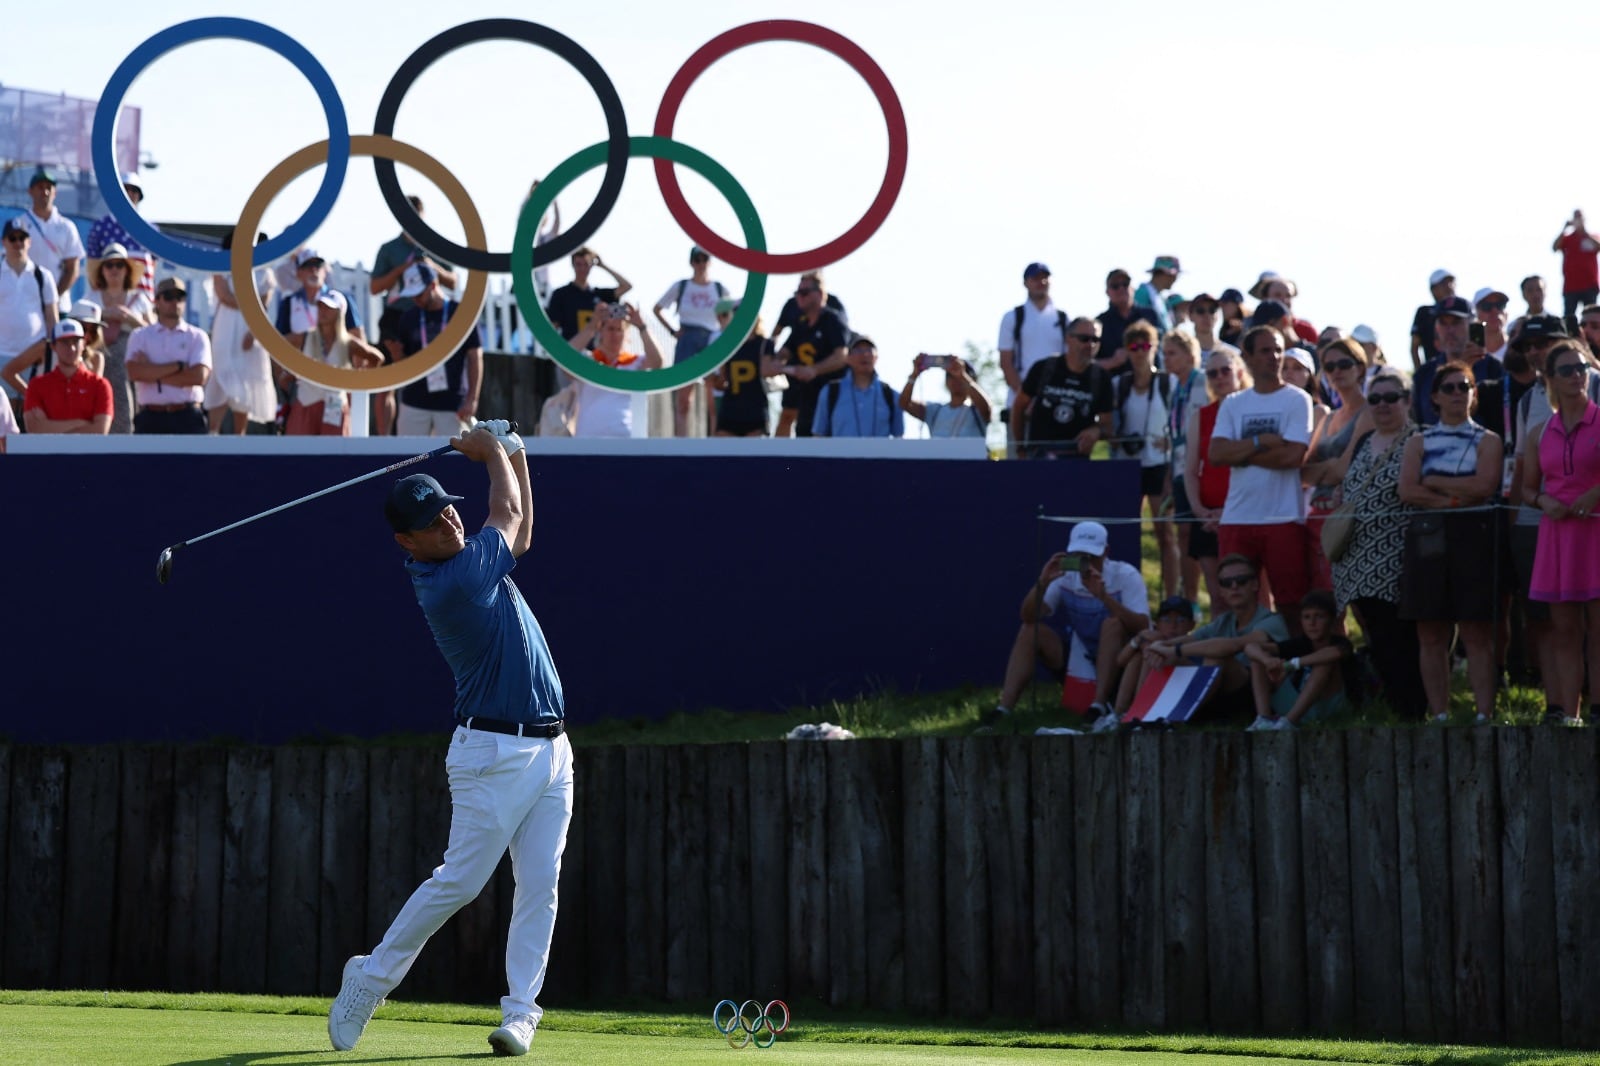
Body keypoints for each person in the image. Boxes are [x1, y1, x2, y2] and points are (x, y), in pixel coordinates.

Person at [328, 423, 572, 1058]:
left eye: (447, 510)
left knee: (540, 884)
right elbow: (510, 511)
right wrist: (493, 450)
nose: (448, 524)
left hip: (552, 751)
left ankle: (521, 1013)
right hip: (492, 755)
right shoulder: (453, 582)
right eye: (431, 524)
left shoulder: (468, 559)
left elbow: (521, 531)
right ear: (406, 541)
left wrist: (512, 451)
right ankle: (371, 978)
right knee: (460, 882)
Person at [1397, 362, 1504, 722]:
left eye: (1465, 387)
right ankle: (1439, 714)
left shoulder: (1489, 440)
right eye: (1450, 387)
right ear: (1435, 396)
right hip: (1428, 535)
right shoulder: (1418, 441)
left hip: (1473, 536)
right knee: (1430, 630)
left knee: (1476, 630)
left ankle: (1484, 713)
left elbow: (1484, 486)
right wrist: (1453, 498)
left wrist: (1435, 485)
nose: (1458, 393)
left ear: (1474, 394)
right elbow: (1407, 489)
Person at [986, 521, 1151, 733]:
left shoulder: (1126, 575)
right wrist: (1043, 581)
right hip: (1082, 658)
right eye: (1080, 557)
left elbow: (1143, 625)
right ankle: (1003, 709)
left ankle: (1098, 706)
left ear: (1106, 552)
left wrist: (1104, 597)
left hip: (1121, 661)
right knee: (1030, 631)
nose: (1086, 563)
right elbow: (1028, 617)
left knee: (1112, 624)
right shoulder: (1065, 577)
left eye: (1092, 557)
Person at [1327, 368, 1426, 717]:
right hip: (1358, 562)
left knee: (1404, 639)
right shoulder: (1364, 443)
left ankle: (1414, 708)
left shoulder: (1420, 439)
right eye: (1375, 399)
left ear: (1407, 401)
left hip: (1401, 560)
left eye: (1390, 398)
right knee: (1379, 639)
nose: (1382, 405)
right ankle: (1395, 704)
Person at [1208, 325, 1314, 627]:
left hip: (1283, 518)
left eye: (1278, 349)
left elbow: (1293, 457)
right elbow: (1216, 455)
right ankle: (1243, 669)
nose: (1275, 356)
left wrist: (1240, 453)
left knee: (1292, 604)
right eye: (1266, 350)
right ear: (1248, 357)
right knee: (1236, 606)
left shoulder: (1297, 399)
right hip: (1237, 518)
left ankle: (1297, 667)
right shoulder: (1233, 403)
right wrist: (1259, 441)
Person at [1523, 342, 1600, 725]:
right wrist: (1541, 500)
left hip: (1596, 533)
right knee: (1564, 630)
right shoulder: (1540, 432)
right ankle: (1568, 713)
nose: (1576, 375)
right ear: (1551, 378)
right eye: (1567, 369)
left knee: (1599, 628)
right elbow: (1524, 489)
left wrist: (1596, 491)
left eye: (1582, 367)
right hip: (1557, 537)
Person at [1142, 553, 1290, 722]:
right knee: (1157, 655)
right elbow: (1192, 638)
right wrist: (1160, 646)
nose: (1234, 586)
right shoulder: (1225, 620)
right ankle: (1140, 715)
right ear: (1221, 591)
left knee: (1217, 657)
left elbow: (1232, 645)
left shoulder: (1271, 620)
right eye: (1226, 583)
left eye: (1241, 581)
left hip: (1257, 695)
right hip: (1222, 691)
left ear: (1255, 584)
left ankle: (1182, 717)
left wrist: (1174, 650)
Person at [370, 195, 459, 436]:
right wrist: (401, 269)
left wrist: (431, 266)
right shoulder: (389, 249)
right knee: (388, 379)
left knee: (429, 377)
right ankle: (384, 435)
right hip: (397, 316)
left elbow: (453, 280)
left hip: (429, 319)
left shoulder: (435, 246)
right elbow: (375, 287)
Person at [1183, 347, 1251, 607]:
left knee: (1253, 594)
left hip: (1245, 513)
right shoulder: (1200, 417)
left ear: (1240, 372)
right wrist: (1200, 511)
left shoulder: (1253, 412)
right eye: (1212, 373)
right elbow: (1190, 470)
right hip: (1209, 517)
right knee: (1219, 598)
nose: (1219, 377)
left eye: (1225, 370)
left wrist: (1230, 511)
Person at [1114, 320, 1177, 597]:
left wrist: (1173, 441)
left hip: (1160, 463)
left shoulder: (1167, 382)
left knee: (1165, 533)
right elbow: (1111, 425)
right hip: (1128, 465)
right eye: (1134, 346)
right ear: (1127, 350)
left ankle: (1172, 597)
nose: (1140, 352)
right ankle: (1130, 594)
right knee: (1128, 534)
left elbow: (1183, 420)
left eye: (1146, 345)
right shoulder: (1120, 384)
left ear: (1154, 349)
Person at [1302, 337, 1370, 591]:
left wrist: (1327, 467)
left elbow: (1344, 469)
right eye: (1329, 367)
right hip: (1318, 517)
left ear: (1360, 367)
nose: (1336, 371)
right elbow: (1303, 473)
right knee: (1325, 603)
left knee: (1361, 605)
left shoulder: (1371, 412)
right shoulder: (1328, 418)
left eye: (1344, 364)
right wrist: (1330, 468)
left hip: (1350, 518)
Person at [1241, 591, 1358, 730]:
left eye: (1319, 616)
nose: (1312, 623)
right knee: (1257, 660)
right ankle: (1264, 719)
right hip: (1297, 704)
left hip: (1329, 706)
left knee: (1323, 663)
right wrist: (1267, 661)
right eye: (1307, 617)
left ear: (1331, 620)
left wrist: (1291, 664)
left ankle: (1289, 723)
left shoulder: (1340, 643)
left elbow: (1332, 654)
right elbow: (1250, 647)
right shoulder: (1299, 643)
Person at [395, 264, 482, 436]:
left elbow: (475, 356)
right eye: (412, 295)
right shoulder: (408, 317)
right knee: (407, 458)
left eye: (419, 294)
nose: (416, 299)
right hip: (414, 402)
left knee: (455, 460)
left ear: (433, 285)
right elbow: (402, 362)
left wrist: (472, 399)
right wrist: (396, 354)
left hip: (452, 404)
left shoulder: (460, 314)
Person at [207, 231, 279, 435]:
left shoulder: (264, 272)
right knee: (221, 375)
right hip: (226, 327)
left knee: (246, 378)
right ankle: (213, 432)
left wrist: (255, 333)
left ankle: (240, 434)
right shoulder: (222, 265)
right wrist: (250, 304)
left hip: (250, 329)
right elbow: (224, 295)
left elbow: (263, 305)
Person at [283, 291, 384, 435]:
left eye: (328, 307)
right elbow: (279, 345)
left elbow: (377, 358)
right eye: (320, 306)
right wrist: (288, 373)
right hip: (306, 403)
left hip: (334, 406)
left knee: (334, 453)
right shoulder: (305, 337)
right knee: (302, 453)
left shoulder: (348, 342)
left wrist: (360, 378)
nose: (323, 311)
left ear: (339, 312)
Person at [654, 246, 728, 437]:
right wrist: (672, 331)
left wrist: (724, 334)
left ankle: (715, 439)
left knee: (713, 396)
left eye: (705, 259)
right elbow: (658, 308)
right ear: (691, 262)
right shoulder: (681, 286)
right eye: (697, 259)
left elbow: (729, 314)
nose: (701, 263)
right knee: (683, 398)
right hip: (687, 338)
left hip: (712, 339)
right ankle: (682, 440)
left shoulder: (719, 289)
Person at [125, 277, 212, 434]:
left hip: (188, 416)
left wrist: (151, 373)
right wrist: (178, 367)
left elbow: (198, 377)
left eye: (179, 297)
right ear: (157, 301)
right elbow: (133, 373)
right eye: (169, 297)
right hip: (151, 417)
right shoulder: (140, 336)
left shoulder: (198, 336)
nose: (175, 302)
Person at [568, 301, 664, 438]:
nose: (615, 335)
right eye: (610, 329)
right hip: (588, 439)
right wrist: (591, 326)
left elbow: (657, 362)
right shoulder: (589, 360)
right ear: (601, 331)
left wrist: (641, 326)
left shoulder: (635, 362)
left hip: (625, 437)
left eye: (619, 330)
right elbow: (564, 360)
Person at [997, 262, 1068, 430]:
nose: (1041, 282)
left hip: (1056, 406)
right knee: (1019, 454)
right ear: (1025, 283)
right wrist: (1025, 399)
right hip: (1020, 406)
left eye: (1045, 278)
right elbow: (1006, 363)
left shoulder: (1063, 319)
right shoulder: (1013, 317)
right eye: (1035, 278)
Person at [775, 277, 850, 438]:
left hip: (831, 400)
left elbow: (841, 356)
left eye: (805, 292)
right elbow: (783, 352)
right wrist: (774, 363)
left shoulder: (832, 320)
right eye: (798, 293)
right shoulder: (801, 324)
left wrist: (814, 370)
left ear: (820, 294)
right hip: (805, 401)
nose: (799, 297)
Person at [1163, 330, 1206, 605]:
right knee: (1184, 534)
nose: (1166, 359)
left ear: (1190, 355)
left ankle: (1194, 598)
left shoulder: (1201, 381)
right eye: (1164, 353)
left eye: (1172, 353)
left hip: (1200, 469)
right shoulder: (1175, 387)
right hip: (1180, 468)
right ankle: (1188, 599)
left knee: (1196, 534)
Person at [0, 215, 58, 405]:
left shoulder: (43, 276)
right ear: (4, 242)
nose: (18, 243)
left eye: (22, 238)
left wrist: (50, 351)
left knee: (34, 413)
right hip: (2, 354)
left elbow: (52, 317)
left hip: (35, 356)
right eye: (12, 238)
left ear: (29, 242)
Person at [1107, 596, 1196, 720]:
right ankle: (1119, 713)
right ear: (1157, 623)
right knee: (1137, 657)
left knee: (1152, 653)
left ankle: (1140, 712)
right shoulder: (1152, 638)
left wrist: (1151, 647)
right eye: (1166, 620)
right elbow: (1120, 661)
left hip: (1177, 693)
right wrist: (1138, 639)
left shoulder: (1190, 643)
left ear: (1191, 625)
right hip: (1157, 690)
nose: (1173, 625)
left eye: (1181, 620)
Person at [21, 319, 112, 434]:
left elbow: (100, 430)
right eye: (65, 342)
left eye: (75, 341)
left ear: (84, 344)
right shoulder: (36, 385)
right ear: (53, 346)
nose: (71, 348)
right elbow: (35, 429)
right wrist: (80, 423)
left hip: (88, 451)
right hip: (49, 451)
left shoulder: (100, 385)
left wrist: (50, 427)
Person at [709, 299, 781, 437]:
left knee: (754, 456)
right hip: (730, 409)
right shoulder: (728, 345)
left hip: (756, 410)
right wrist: (713, 379)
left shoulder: (764, 344)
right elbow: (722, 381)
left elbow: (766, 372)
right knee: (724, 456)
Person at [17, 167, 83, 312]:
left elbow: (73, 268)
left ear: (55, 193)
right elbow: (13, 264)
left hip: (60, 305)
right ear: (30, 191)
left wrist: (53, 297)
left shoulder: (67, 227)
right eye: (40, 187)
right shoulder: (20, 225)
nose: (45, 192)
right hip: (26, 303)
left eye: (49, 187)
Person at [85, 170, 157, 301]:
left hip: (141, 303)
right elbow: (92, 267)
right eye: (125, 189)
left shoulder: (151, 230)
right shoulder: (100, 227)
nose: (129, 194)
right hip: (107, 302)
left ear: (139, 196)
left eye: (134, 190)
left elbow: (153, 266)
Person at [812, 336, 903, 438]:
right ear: (848, 358)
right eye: (858, 350)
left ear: (876, 358)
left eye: (869, 350)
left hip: (879, 454)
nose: (864, 354)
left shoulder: (891, 395)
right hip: (839, 454)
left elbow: (898, 437)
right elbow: (818, 435)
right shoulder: (830, 392)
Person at [276, 248, 361, 351]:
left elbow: (357, 334)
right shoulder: (288, 303)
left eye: (318, 266)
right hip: (300, 365)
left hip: (336, 364)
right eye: (307, 266)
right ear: (298, 273)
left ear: (325, 271)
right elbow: (280, 342)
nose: (313, 270)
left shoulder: (341, 299)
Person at [544, 246, 631, 340]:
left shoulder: (599, 294)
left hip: (597, 352)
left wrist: (603, 265)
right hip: (571, 348)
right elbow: (553, 326)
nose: (582, 268)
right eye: (578, 264)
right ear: (573, 265)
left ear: (591, 266)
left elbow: (626, 286)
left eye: (586, 264)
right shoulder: (560, 294)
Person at [901, 355, 991, 438]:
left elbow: (986, 408)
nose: (956, 379)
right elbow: (905, 403)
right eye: (951, 375)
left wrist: (963, 376)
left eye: (961, 375)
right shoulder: (935, 411)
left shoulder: (977, 410)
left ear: (972, 379)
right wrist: (914, 374)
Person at [1095, 268, 1159, 375]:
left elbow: (1161, 349)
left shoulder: (1150, 315)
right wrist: (1112, 361)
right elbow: (1087, 363)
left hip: (1150, 384)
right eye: (1115, 286)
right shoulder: (1099, 323)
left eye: (1125, 284)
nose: (1121, 289)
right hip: (1115, 386)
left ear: (1132, 288)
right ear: (1107, 292)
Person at [1553, 210, 1600, 319]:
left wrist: (1585, 234)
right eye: (1576, 218)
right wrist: (1564, 229)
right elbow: (1554, 247)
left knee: (1592, 316)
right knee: (1569, 317)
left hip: (1590, 285)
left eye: (1580, 218)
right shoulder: (1567, 239)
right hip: (1571, 286)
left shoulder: (1592, 237)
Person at [1410, 269, 1455, 372]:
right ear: (1433, 289)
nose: (1449, 286)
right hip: (1434, 372)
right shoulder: (1424, 313)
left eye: (1451, 282)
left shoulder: (1465, 310)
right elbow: (1414, 347)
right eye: (1444, 284)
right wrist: (1420, 374)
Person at [1134, 255, 1181, 334]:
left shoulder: (1161, 298)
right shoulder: (1143, 293)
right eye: (1173, 275)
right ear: (1162, 274)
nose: (1175, 279)